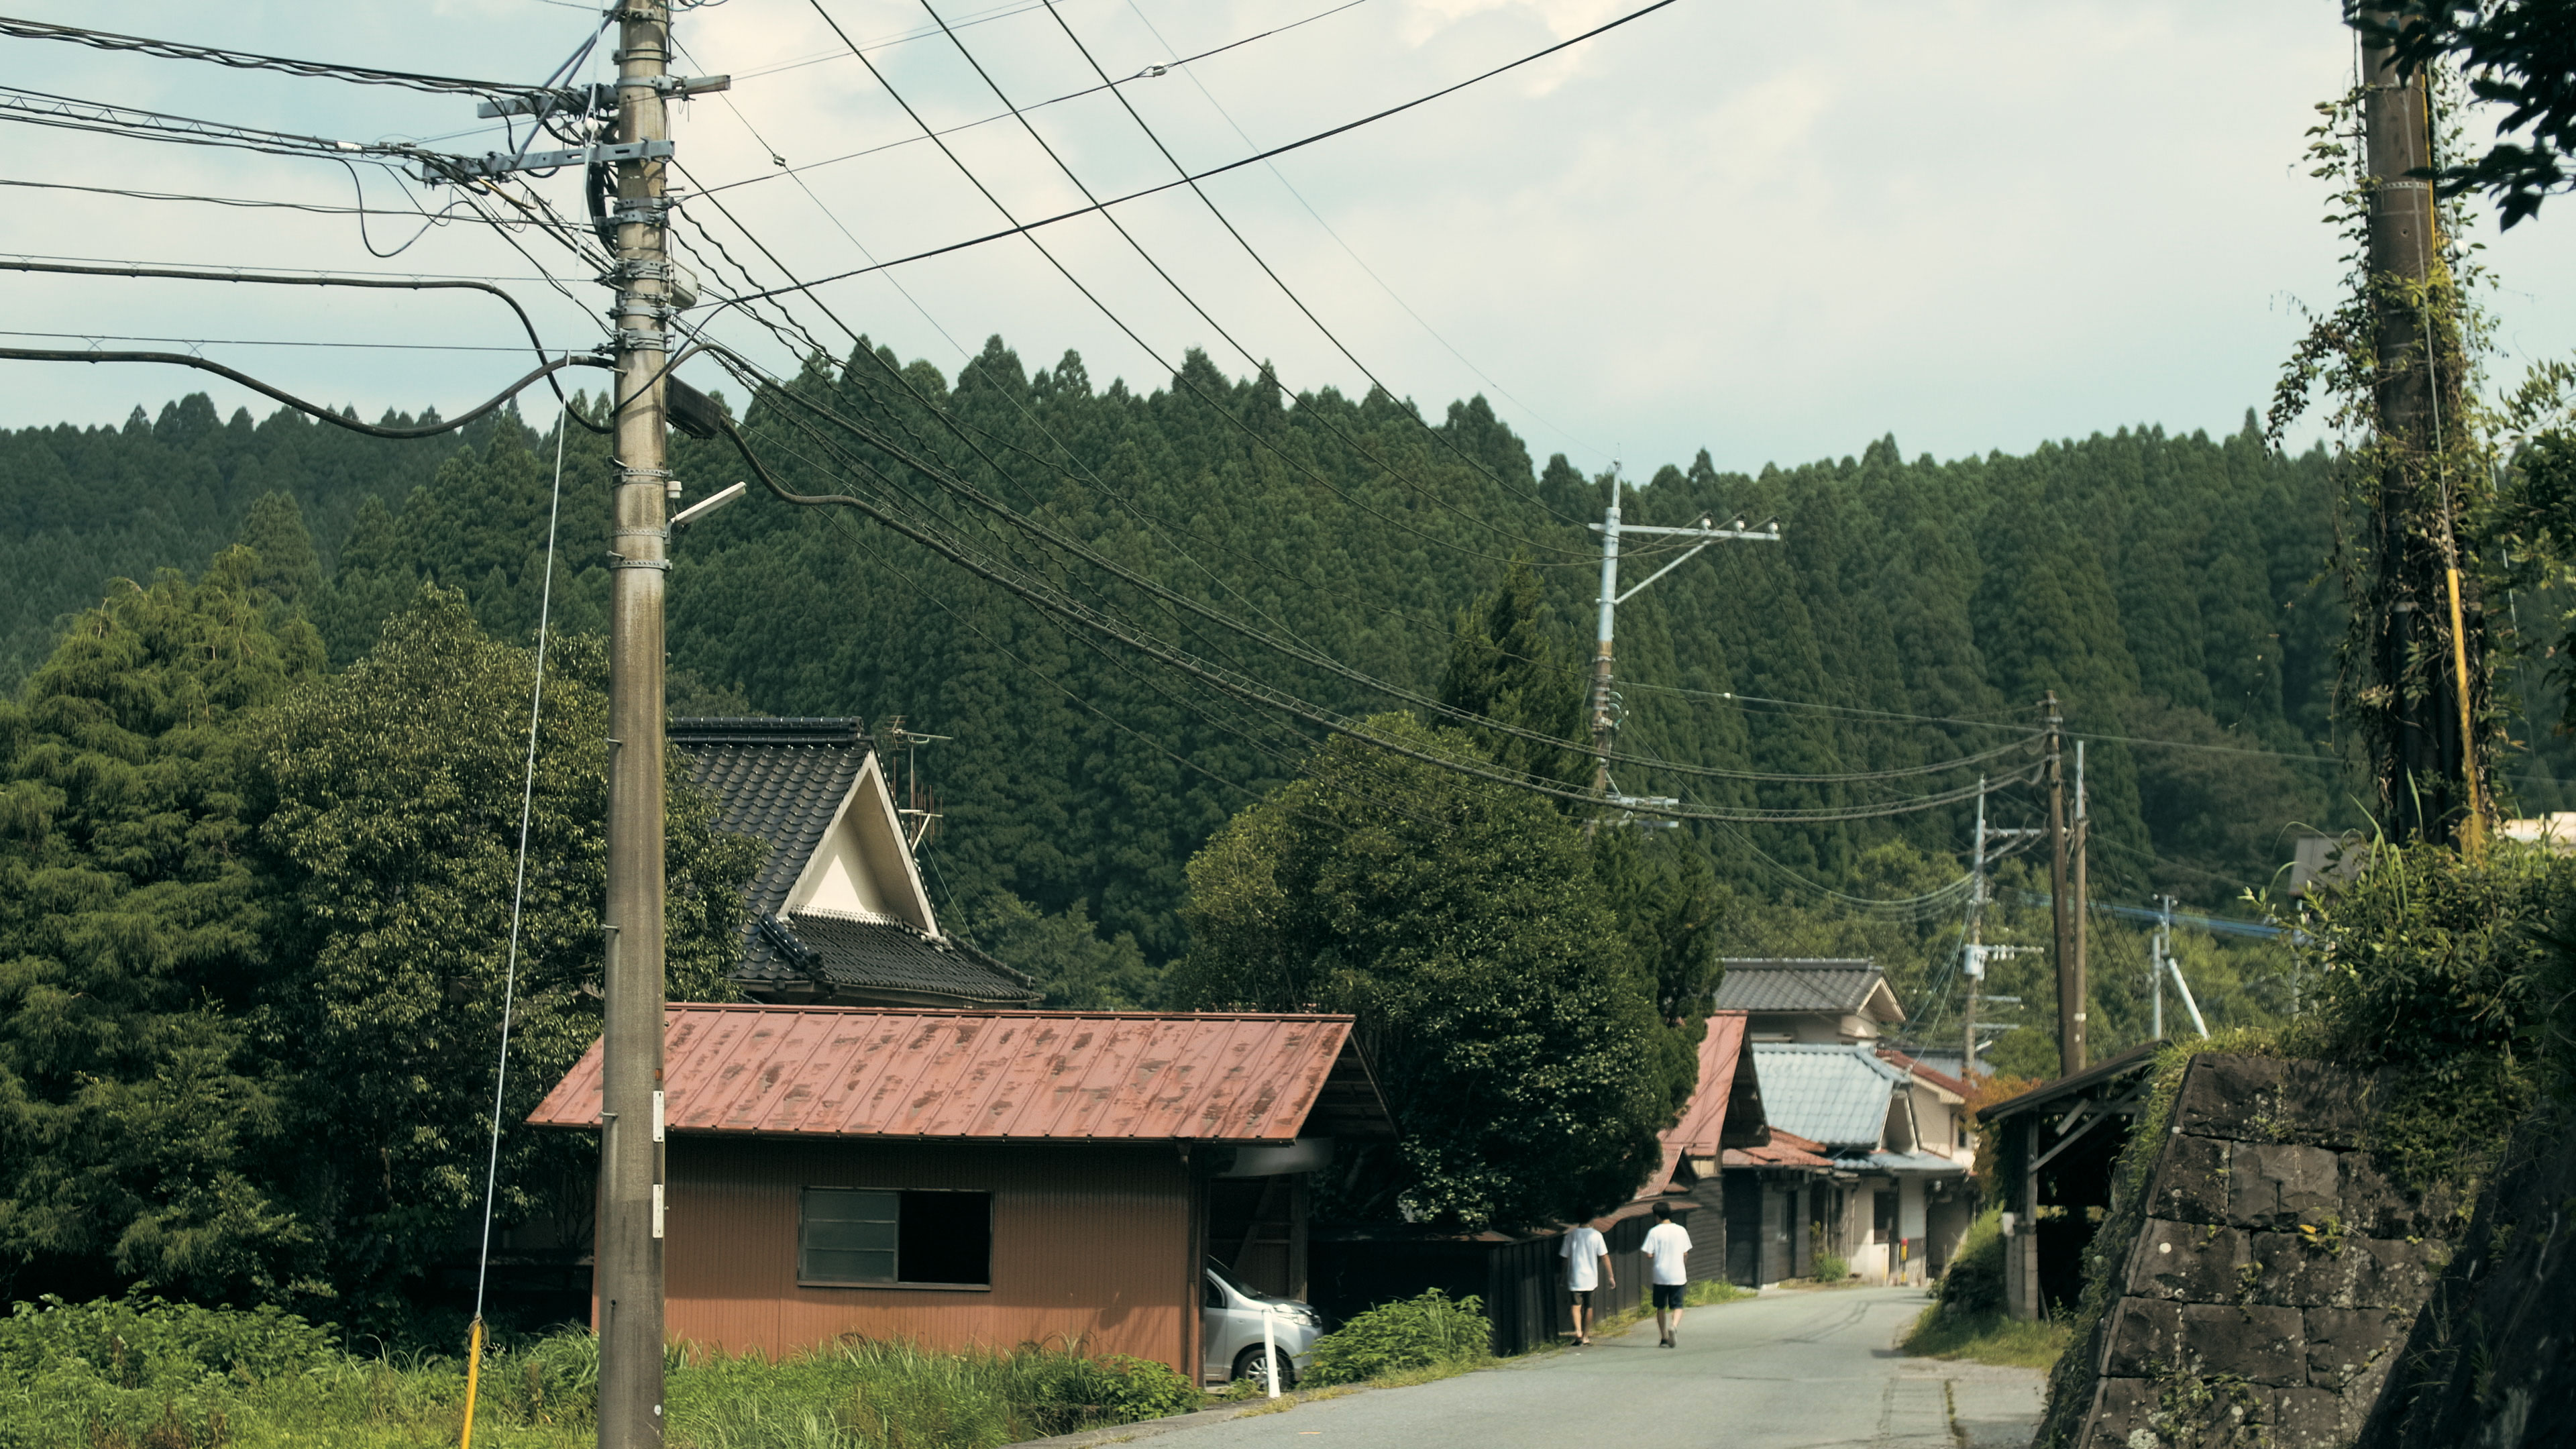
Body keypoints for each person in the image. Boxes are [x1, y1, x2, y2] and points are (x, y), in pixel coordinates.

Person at [1641, 1201, 1693, 1348]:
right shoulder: (1681, 1230)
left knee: (1660, 1307)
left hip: (1660, 1275)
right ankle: (1674, 1326)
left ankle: (1664, 1337)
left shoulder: (1654, 1232)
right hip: (1678, 1273)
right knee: (1678, 1305)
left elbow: (1649, 1254)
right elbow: (1685, 1253)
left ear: (1656, 1216)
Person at [1560, 1216, 1613, 1344]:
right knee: (1589, 1306)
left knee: (1576, 1306)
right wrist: (1611, 1275)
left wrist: (1562, 1276)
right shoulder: (1596, 1235)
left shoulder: (1570, 1235)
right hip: (1591, 1278)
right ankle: (1586, 1336)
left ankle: (1578, 1331)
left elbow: (1565, 1258)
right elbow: (1604, 1256)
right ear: (1592, 1220)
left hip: (1575, 1276)